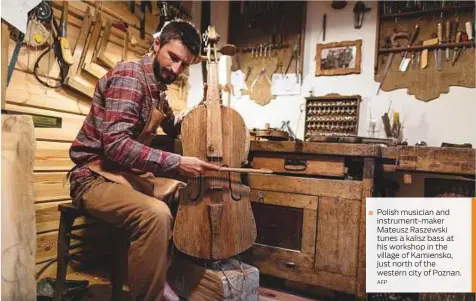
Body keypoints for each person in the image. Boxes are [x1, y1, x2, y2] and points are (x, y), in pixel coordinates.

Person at [67, 19, 219, 301]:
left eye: (184, 64)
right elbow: (115, 145)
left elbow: (173, 125)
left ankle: (163, 278)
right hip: (93, 178)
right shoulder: (130, 77)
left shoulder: (157, 87)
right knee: (155, 215)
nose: (176, 69)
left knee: (184, 196)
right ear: (157, 44)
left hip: (124, 175)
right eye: (173, 58)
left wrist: (204, 108)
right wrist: (176, 162)